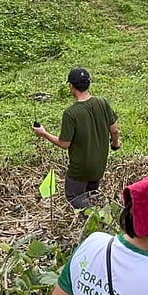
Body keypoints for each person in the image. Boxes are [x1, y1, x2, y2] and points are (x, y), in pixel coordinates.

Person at [33, 67, 121, 209]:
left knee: (73, 197)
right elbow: (115, 131)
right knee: (92, 194)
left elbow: (64, 144)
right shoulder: (102, 102)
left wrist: (44, 133)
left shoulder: (71, 113)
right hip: (99, 166)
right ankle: (97, 215)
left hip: (80, 170)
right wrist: (115, 144)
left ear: (71, 86)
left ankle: (91, 216)